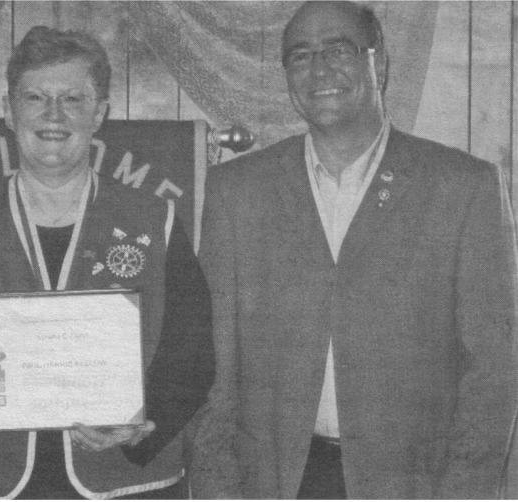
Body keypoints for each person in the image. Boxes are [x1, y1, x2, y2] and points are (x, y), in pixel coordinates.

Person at [193, 1, 518, 498]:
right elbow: (214, 367)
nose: (319, 68)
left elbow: (493, 371)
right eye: (299, 56)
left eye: (339, 49)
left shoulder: (462, 187)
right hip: (274, 483)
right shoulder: (236, 191)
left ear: (380, 62)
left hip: (413, 486)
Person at [0, 26, 215, 499]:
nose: (53, 115)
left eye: (73, 99)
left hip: (120, 481)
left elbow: (193, 356)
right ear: (8, 110)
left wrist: (147, 423)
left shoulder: (154, 219)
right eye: (35, 97)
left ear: (99, 113)